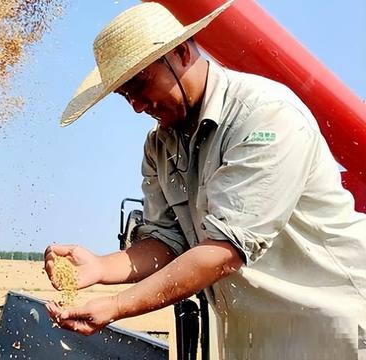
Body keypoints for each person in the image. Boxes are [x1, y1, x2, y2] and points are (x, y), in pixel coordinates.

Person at [44, 1, 366, 358]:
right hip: (255, 340)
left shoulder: (264, 116)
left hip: (336, 330)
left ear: (181, 52)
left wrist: (116, 306)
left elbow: (222, 252)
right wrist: (101, 267)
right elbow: (168, 242)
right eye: (125, 95)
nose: (137, 105)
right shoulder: (160, 146)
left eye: (140, 84)